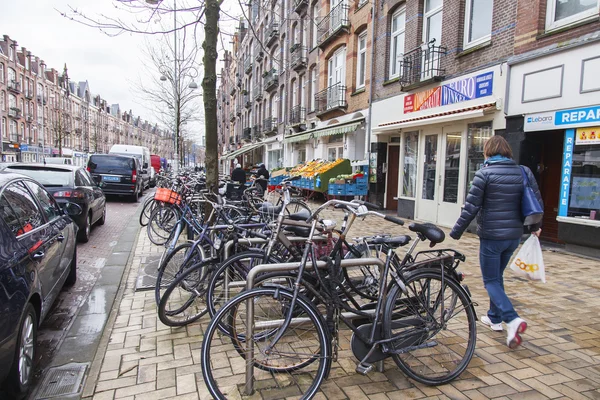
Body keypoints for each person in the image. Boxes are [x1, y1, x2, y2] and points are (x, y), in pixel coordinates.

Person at [449, 135, 543, 350]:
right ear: (507, 151)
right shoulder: (523, 172)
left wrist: (455, 232)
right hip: (513, 236)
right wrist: (536, 227)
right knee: (497, 277)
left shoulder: (484, 174)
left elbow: (471, 207)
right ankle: (494, 318)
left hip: (492, 237)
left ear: (488, 152)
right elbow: (536, 201)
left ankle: (512, 319)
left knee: (490, 280)